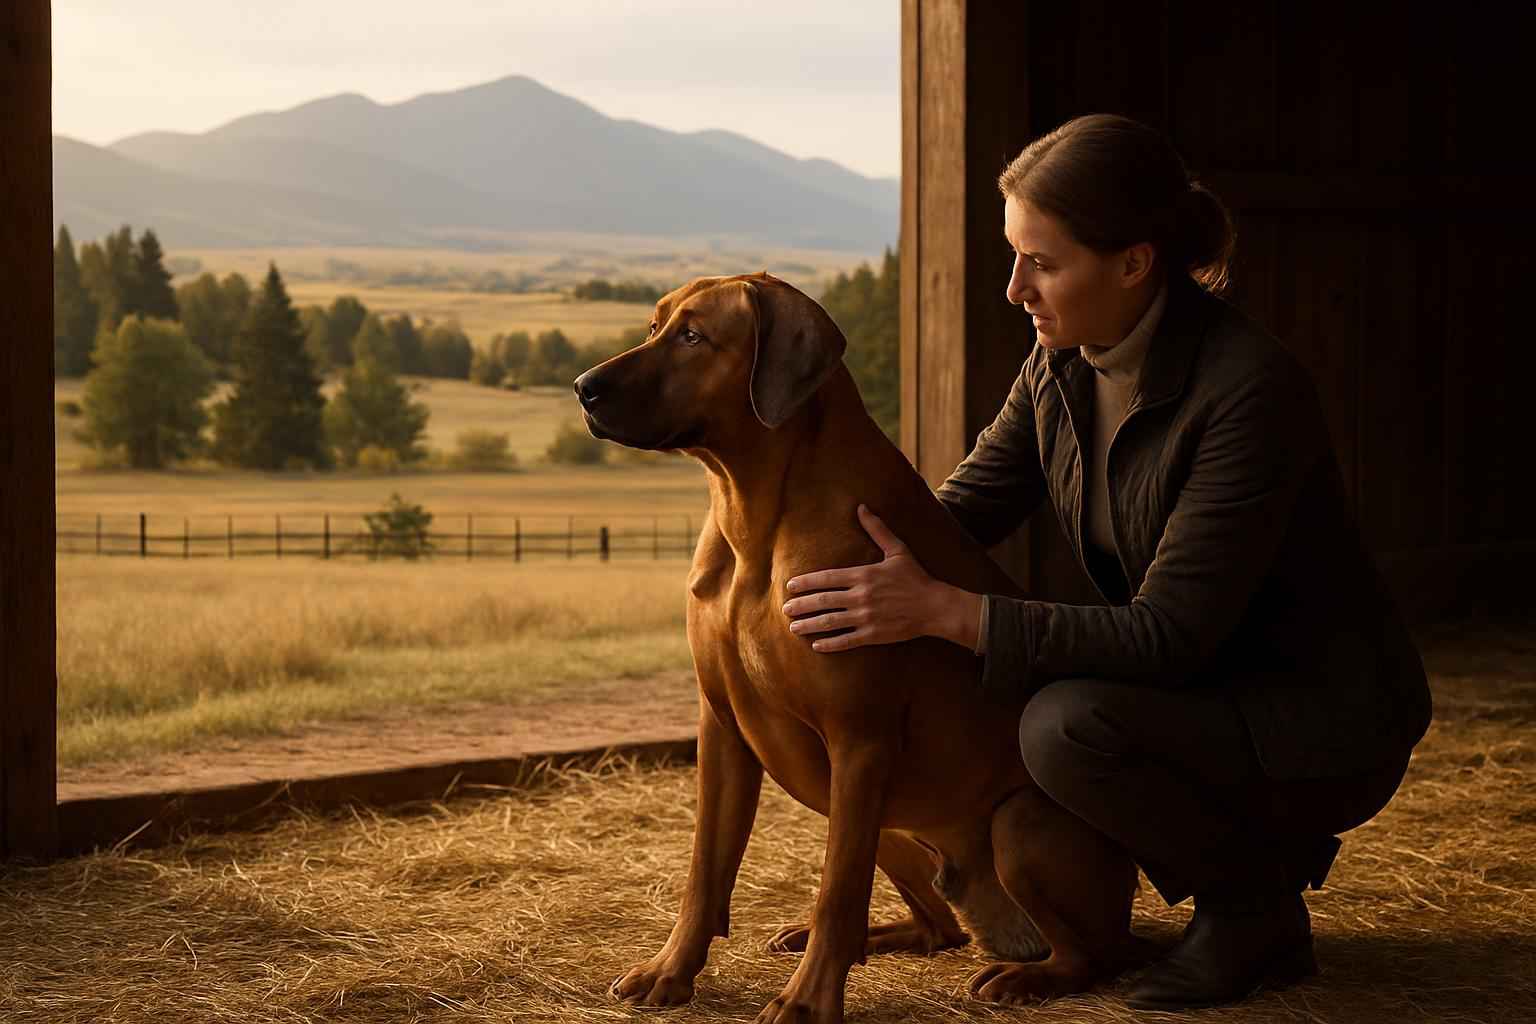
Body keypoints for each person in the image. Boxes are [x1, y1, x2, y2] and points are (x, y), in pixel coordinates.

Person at [779, 113, 1433, 1012]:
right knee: (1041, 700)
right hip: (1199, 690)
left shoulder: (1248, 391)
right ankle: (1241, 883)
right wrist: (816, 549)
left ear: (1134, 261)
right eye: (1014, 256)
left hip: (1312, 714)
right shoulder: (1059, 363)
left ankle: (1253, 912)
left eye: (1042, 262)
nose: (1015, 289)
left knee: (1060, 727)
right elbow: (955, 517)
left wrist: (939, 611)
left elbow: (1168, 634)